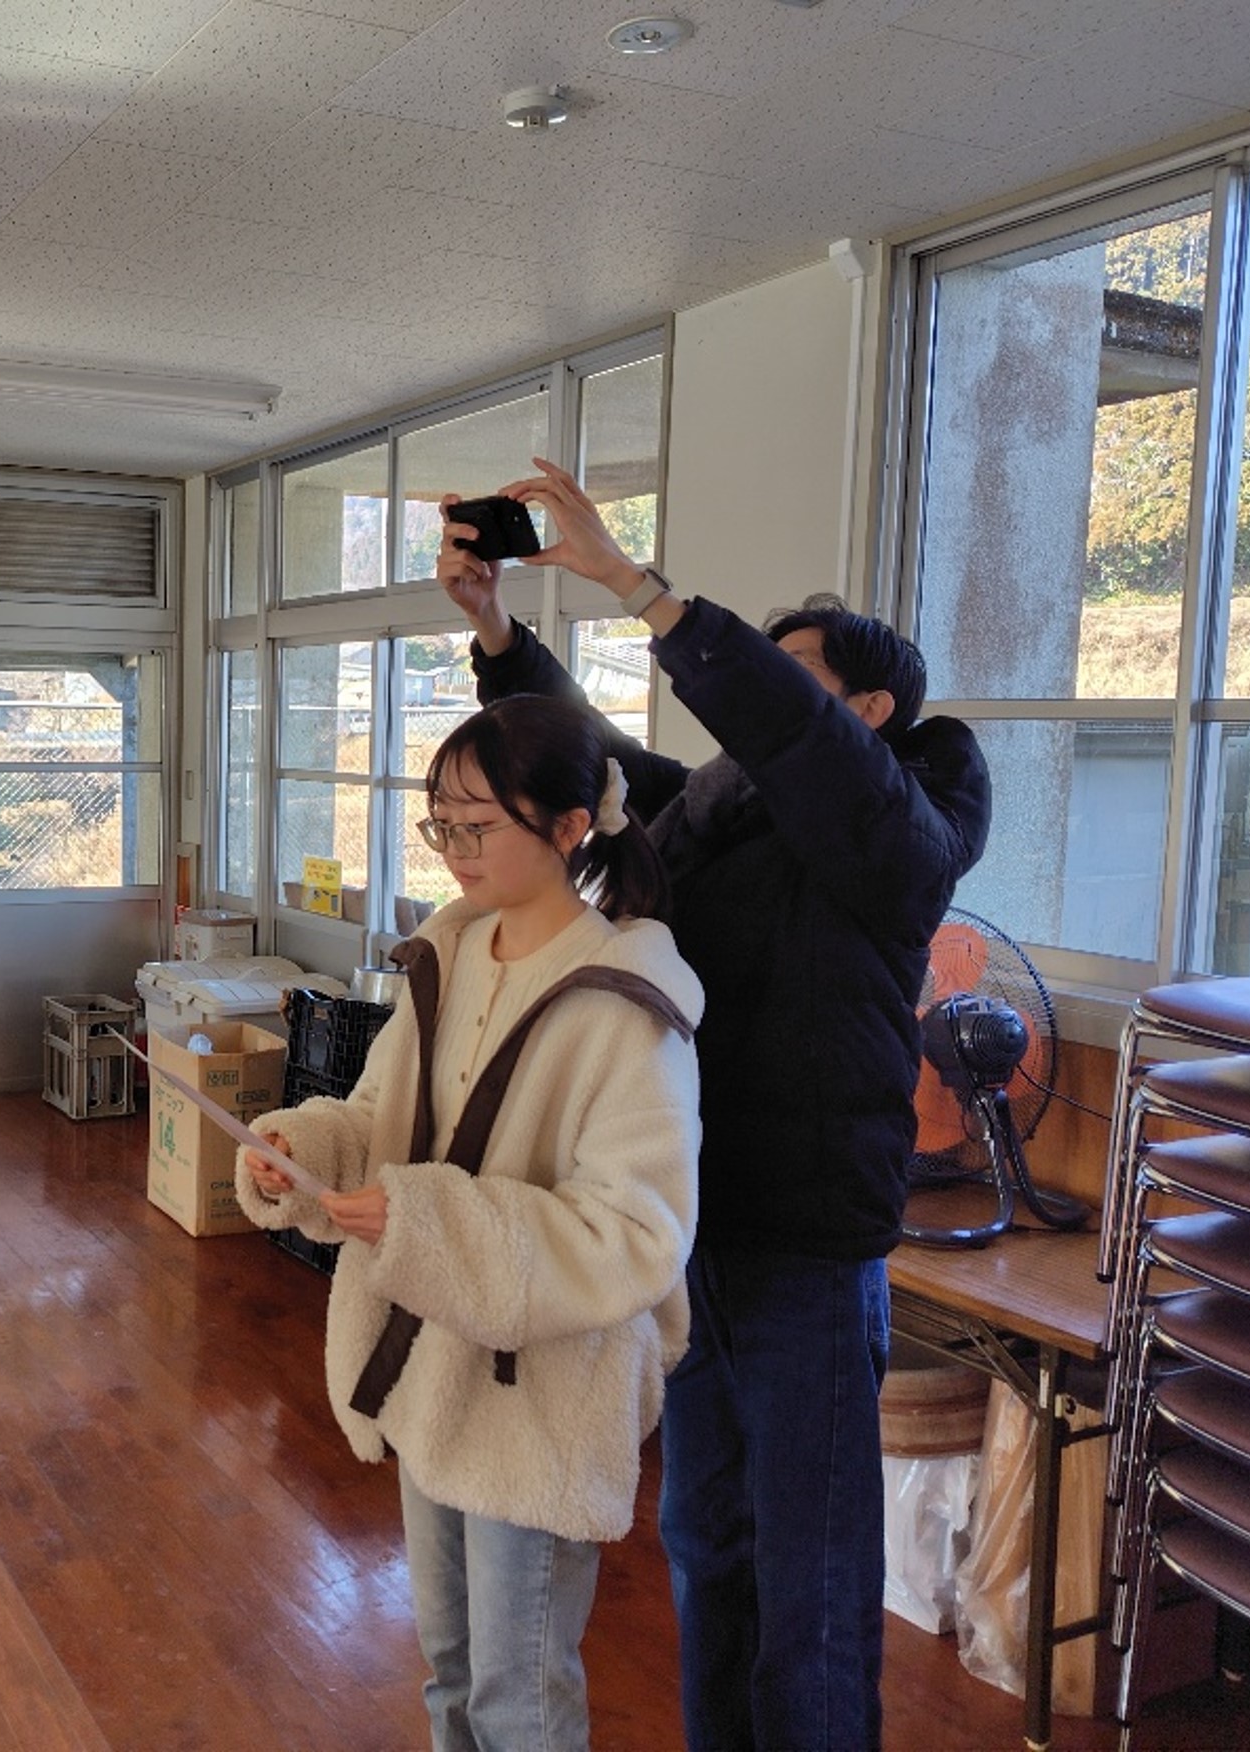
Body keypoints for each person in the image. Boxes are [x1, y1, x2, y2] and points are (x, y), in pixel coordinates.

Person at [439, 458, 992, 1752]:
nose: (753, 707)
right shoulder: (718, 814)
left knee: (812, 1583)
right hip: (690, 1233)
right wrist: (497, 634)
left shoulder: (901, 835)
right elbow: (596, 759)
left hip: (809, 1253)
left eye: (787, 680)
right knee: (703, 1540)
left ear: (866, 711)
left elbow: (810, 755)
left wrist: (639, 589)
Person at [237, 692, 704, 1752]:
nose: (451, 851)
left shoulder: (627, 1007)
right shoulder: (442, 957)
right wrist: (303, 1152)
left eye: (476, 826)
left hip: (541, 1397)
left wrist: (425, 1220)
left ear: (571, 826)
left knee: (518, 1698)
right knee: (448, 1672)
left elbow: (635, 1234)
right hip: (430, 1366)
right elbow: (378, 1123)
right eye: (438, 823)